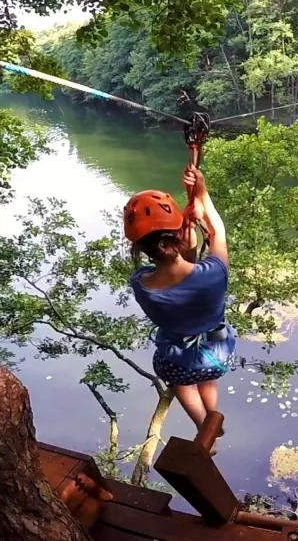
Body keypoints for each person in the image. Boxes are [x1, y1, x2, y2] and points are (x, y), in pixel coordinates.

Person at [123, 164, 235, 449]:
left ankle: (203, 427)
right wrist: (201, 193)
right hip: (218, 354)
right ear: (180, 236)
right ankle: (213, 418)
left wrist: (185, 227)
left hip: (177, 361)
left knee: (183, 382)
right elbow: (217, 233)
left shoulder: (142, 285)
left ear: (141, 249)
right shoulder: (213, 274)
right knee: (207, 376)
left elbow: (178, 262)